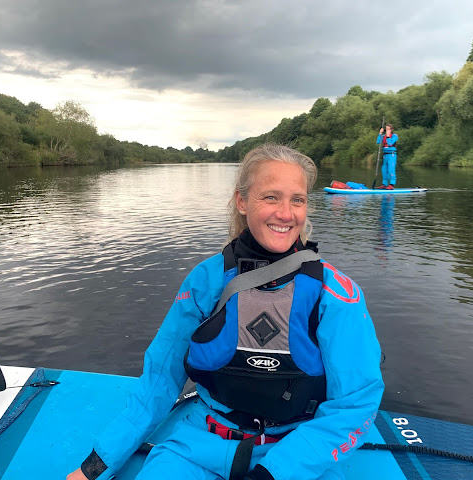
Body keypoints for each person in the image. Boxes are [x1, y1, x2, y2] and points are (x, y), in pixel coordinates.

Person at [67, 144, 384, 480]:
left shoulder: (336, 294)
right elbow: (161, 378)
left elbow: (355, 402)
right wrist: (96, 466)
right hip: (200, 442)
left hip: (292, 453)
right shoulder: (206, 280)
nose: (286, 213)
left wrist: (271, 473)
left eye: (298, 200)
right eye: (271, 197)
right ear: (242, 201)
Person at [375, 124, 398, 190]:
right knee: (384, 170)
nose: (387, 130)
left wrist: (388, 137)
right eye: (386, 129)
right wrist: (380, 133)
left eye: (388, 129)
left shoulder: (394, 136)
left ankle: (391, 184)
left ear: (391, 130)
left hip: (392, 155)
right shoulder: (383, 136)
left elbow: (390, 143)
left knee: (391, 170)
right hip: (385, 155)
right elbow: (378, 141)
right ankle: (384, 184)